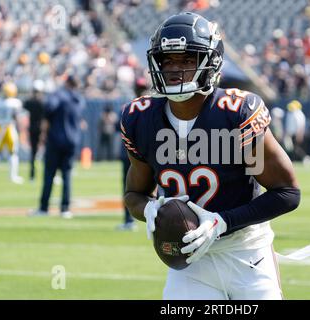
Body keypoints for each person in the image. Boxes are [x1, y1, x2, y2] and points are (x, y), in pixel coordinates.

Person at [121, 12, 300, 300]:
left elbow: (287, 192)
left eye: (187, 59)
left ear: (211, 62)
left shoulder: (234, 115)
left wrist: (222, 222)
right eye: (167, 60)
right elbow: (134, 194)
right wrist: (150, 210)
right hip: (190, 262)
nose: (175, 69)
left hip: (246, 253)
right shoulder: (141, 120)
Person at [30, 75, 86, 219]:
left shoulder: (59, 95)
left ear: (66, 82)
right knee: (66, 176)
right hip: (72, 141)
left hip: (56, 140)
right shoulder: (78, 99)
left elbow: (49, 108)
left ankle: (43, 208)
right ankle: (65, 208)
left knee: (49, 174)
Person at [115, 78, 148, 231]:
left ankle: (129, 220)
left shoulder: (129, 108)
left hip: (133, 154)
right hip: (147, 154)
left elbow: (119, 127)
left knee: (131, 189)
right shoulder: (156, 106)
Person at [0, 82, 24, 184]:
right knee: (13, 153)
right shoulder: (15, 103)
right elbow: (16, 117)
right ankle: (13, 176)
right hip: (9, 128)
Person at [23, 80, 45, 181]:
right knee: (46, 152)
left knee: (33, 153)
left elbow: (25, 104)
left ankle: (32, 175)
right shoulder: (42, 102)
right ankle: (52, 174)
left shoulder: (30, 102)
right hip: (41, 129)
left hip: (33, 129)